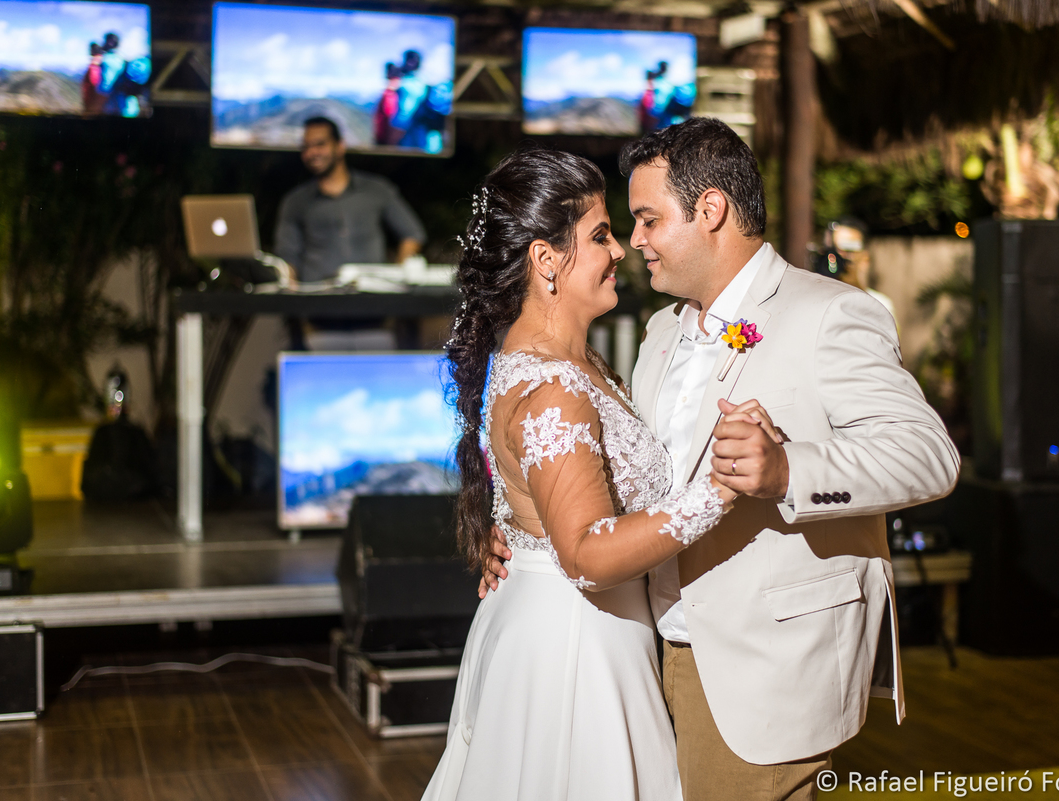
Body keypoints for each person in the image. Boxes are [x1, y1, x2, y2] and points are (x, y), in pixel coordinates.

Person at [483, 117, 960, 800]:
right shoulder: (657, 331)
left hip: (764, 668)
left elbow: (928, 455)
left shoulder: (829, 313)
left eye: (647, 219)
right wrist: (525, 529)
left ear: (710, 210)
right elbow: (607, 472)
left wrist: (788, 469)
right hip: (640, 660)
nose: (633, 241)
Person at [421, 147, 774, 801]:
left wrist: (519, 538)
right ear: (546, 260)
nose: (621, 250)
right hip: (573, 649)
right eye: (601, 235)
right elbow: (583, 552)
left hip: (586, 625)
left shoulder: (570, 363)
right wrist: (719, 488)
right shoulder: (554, 385)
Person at [274, 116, 426, 283]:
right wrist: (292, 296)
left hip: (370, 298)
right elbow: (287, 256)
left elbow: (412, 233)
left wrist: (398, 279)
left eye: (320, 144)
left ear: (340, 146)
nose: (312, 153)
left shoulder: (376, 189)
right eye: (306, 147)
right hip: (318, 299)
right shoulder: (296, 200)